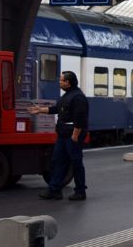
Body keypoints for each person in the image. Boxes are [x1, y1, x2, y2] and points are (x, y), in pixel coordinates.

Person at [31, 71, 89, 200]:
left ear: (68, 83)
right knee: (58, 161)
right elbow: (56, 109)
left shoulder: (78, 97)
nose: (59, 82)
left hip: (72, 135)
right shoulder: (66, 96)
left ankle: (80, 191)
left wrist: (75, 135)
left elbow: (81, 118)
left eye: (61, 80)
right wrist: (40, 110)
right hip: (63, 135)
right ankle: (55, 190)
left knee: (76, 162)